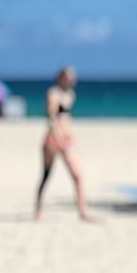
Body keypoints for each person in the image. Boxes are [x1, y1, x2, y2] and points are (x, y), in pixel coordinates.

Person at [34, 66, 92, 222]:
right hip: (53, 140)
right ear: (61, 77)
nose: (73, 80)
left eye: (74, 77)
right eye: (70, 77)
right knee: (46, 175)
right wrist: (58, 137)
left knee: (77, 175)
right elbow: (51, 117)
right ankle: (38, 210)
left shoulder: (70, 95)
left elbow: (66, 118)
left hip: (67, 140)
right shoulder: (53, 93)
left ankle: (83, 210)